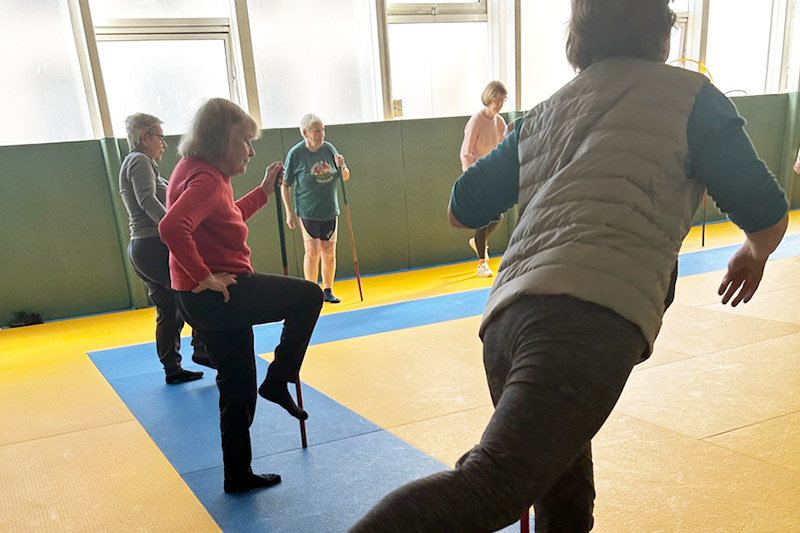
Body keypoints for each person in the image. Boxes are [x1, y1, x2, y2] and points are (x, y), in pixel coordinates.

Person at [350, 1, 789, 531]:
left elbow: (461, 208)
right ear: (662, 32)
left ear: (579, 40)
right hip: (583, 321)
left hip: (506, 321)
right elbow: (766, 212)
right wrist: (754, 252)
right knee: (493, 486)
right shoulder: (690, 97)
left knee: (564, 499)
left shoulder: (543, 114)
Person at [159, 98, 324, 494]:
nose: (250, 151)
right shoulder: (206, 178)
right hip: (220, 294)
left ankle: (238, 473)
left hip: (203, 299)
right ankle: (280, 378)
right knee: (308, 296)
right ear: (221, 139)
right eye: (245, 141)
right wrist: (204, 276)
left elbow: (224, 215)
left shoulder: (196, 169)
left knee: (237, 387)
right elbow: (172, 227)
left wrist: (264, 191)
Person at [118, 112, 208, 385]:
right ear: (144, 137)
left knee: (170, 309)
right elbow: (146, 199)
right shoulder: (139, 161)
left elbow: (166, 193)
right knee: (194, 291)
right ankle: (202, 349)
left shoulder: (141, 164)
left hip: (143, 247)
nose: (165, 144)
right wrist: (173, 228)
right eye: (160, 137)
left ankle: (172, 368)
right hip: (152, 245)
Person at [281, 114, 350, 303]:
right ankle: (310, 292)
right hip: (307, 211)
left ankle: (328, 290)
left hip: (329, 209)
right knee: (312, 251)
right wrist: (289, 212)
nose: (321, 134)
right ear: (305, 133)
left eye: (323, 130)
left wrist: (342, 167)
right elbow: (285, 185)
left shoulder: (329, 149)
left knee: (329, 250)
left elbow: (344, 177)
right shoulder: (296, 154)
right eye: (316, 131)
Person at [459, 80, 508, 278]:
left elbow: (505, 146)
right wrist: (470, 177)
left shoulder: (499, 122)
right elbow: (465, 152)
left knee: (498, 217)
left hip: (491, 175)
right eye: (497, 99)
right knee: (483, 217)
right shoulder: (476, 121)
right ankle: (482, 263)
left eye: (503, 100)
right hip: (476, 175)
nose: (500, 104)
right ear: (489, 98)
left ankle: (478, 242)